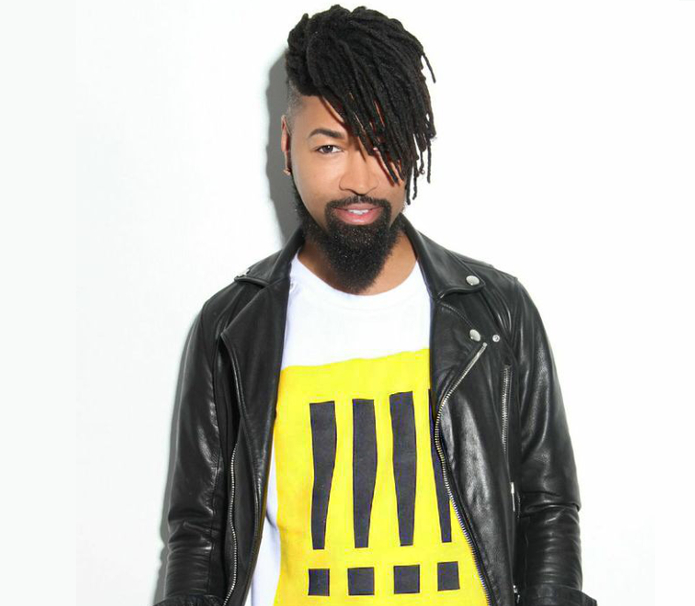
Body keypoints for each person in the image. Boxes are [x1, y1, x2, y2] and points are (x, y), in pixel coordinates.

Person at [156, 5, 597, 606]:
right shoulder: (233, 328)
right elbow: (198, 534)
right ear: (287, 146)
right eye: (330, 146)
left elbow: (549, 508)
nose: (360, 179)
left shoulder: (497, 313)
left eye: (383, 144)